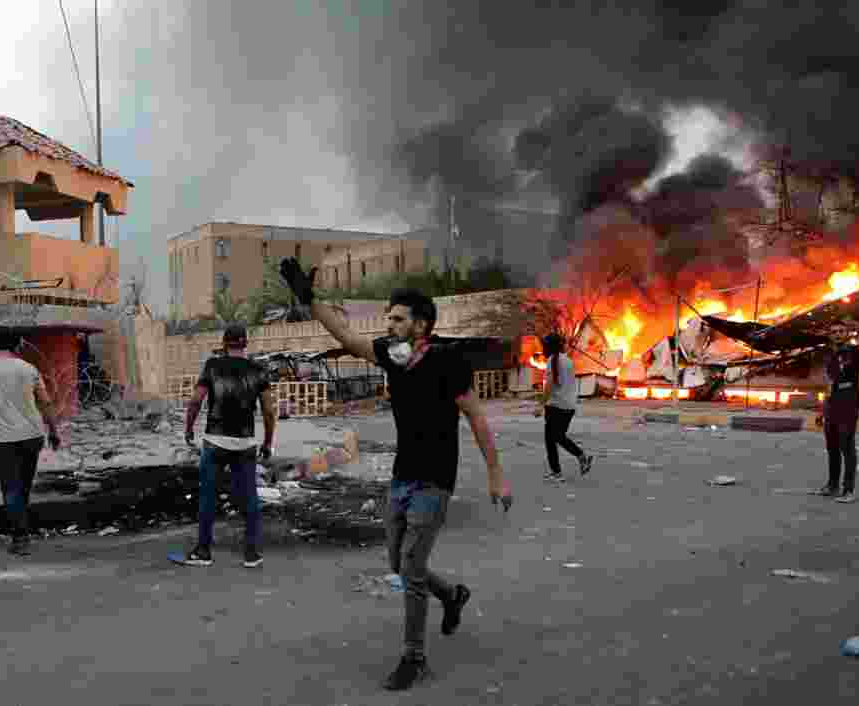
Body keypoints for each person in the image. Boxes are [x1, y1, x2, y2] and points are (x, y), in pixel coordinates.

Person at [279, 257, 512, 692]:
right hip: (403, 476)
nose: (389, 325)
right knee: (399, 564)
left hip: (435, 480)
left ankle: (414, 656)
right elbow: (347, 336)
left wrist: (496, 474)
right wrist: (307, 298)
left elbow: (477, 418)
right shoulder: (392, 354)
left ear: (421, 326)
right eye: (388, 317)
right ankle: (451, 595)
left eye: (397, 319)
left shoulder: (447, 361)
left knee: (410, 564)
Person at [181, 325, 276, 568]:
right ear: (245, 343)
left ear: (224, 343)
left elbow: (195, 402)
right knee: (249, 498)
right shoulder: (258, 369)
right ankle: (252, 554)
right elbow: (268, 410)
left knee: (208, 497)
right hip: (245, 444)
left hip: (214, 442)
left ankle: (203, 551)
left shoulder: (212, 366)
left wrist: (189, 429)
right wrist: (267, 442)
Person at [0, 329, 61, 556]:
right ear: (17, 345)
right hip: (32, 435)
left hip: (1, 438)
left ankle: (20, 536)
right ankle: (21, 526)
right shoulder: (28, 369)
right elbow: (45, 403)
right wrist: (54, 431)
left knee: (10, 486)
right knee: (24, 484)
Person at [818, 330, 859, 504]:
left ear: (847, 333)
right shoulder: (829, 354)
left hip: (848, 403)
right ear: (830, 335)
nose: (838, 334)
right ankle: (832, 485)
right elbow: (828, 382)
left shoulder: (854, 351)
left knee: (846, 446)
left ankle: (848, 490)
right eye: (835, 331)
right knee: (831, 446)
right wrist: (822, 409)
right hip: (831, 403)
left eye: (841, 331)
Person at [534, 333, 593, 481]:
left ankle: (564, 468)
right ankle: (577, 459)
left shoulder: (552, 360)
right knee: (557, 437)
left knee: (552, 438)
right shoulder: (567, 360)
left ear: (548, 346)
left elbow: (550, 385)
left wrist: (541, 405)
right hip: (569, 405)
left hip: (556, 405)